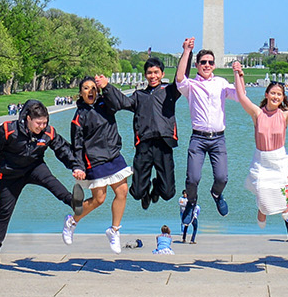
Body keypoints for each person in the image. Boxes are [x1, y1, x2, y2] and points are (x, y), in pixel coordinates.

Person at [0, 100, 83, 275]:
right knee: (4, 214)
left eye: (45, 122)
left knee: (53, 183)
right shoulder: (8, 130)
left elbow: (64, 150)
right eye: (39, 123)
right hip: (10, 174)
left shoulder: (48, 132)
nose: (42, 126)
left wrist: (76, 166)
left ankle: (73, 202)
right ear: (28, 119)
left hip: (34, 168)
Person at [231, 62, 288, 242]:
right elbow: (241, 96)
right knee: (263, 194)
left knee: (285, 192)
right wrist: (237, 73)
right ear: (266, 94)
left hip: (279, 159)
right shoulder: (257, 113)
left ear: (282, 97)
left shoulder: (285, 116)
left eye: (279, 94)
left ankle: (286, 208)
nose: (275, 96)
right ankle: (262, 208)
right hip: (262, 160)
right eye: (273, 93)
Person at [66, 74, 137, 252]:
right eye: (85, 88)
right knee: (99, 199)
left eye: (93, 87)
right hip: (94, 160)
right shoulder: (79, 116)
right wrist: (78, 167)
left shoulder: (106, 103)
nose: (90, 91)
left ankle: (114, 230)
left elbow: (122, 103)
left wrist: (107, 86)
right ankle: (72, 221)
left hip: (114, 155)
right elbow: (77, 145)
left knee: (122, 191)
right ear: (80, 93)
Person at [177, 38, 238, 221]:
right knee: (192, 179)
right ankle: (192, 202)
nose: (207, 65)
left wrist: (238, 74)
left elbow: (239, 95)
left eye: (210, 62)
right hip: (198, 138)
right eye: (203, 62)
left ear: (214, 65)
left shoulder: (221, 82)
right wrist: (187, 51)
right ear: (196, 65)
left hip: (218, 139)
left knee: (222, 178)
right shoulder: (191, 86)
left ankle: (216, 194)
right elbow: (180, 78)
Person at [125, 58, 184, 211]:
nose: (153, 76)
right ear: (145, 75)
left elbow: (181, 76)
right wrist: (106, 88)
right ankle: (145, 192)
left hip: (164, 145)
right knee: (136, 193)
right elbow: (121, 103)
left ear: (162, 74)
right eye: (149, 73)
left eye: (156, 72)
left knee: (168, 193)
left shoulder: (169, 91)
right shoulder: (139, 95)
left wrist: (187, 52)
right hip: (144, 144)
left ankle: (157, 187)